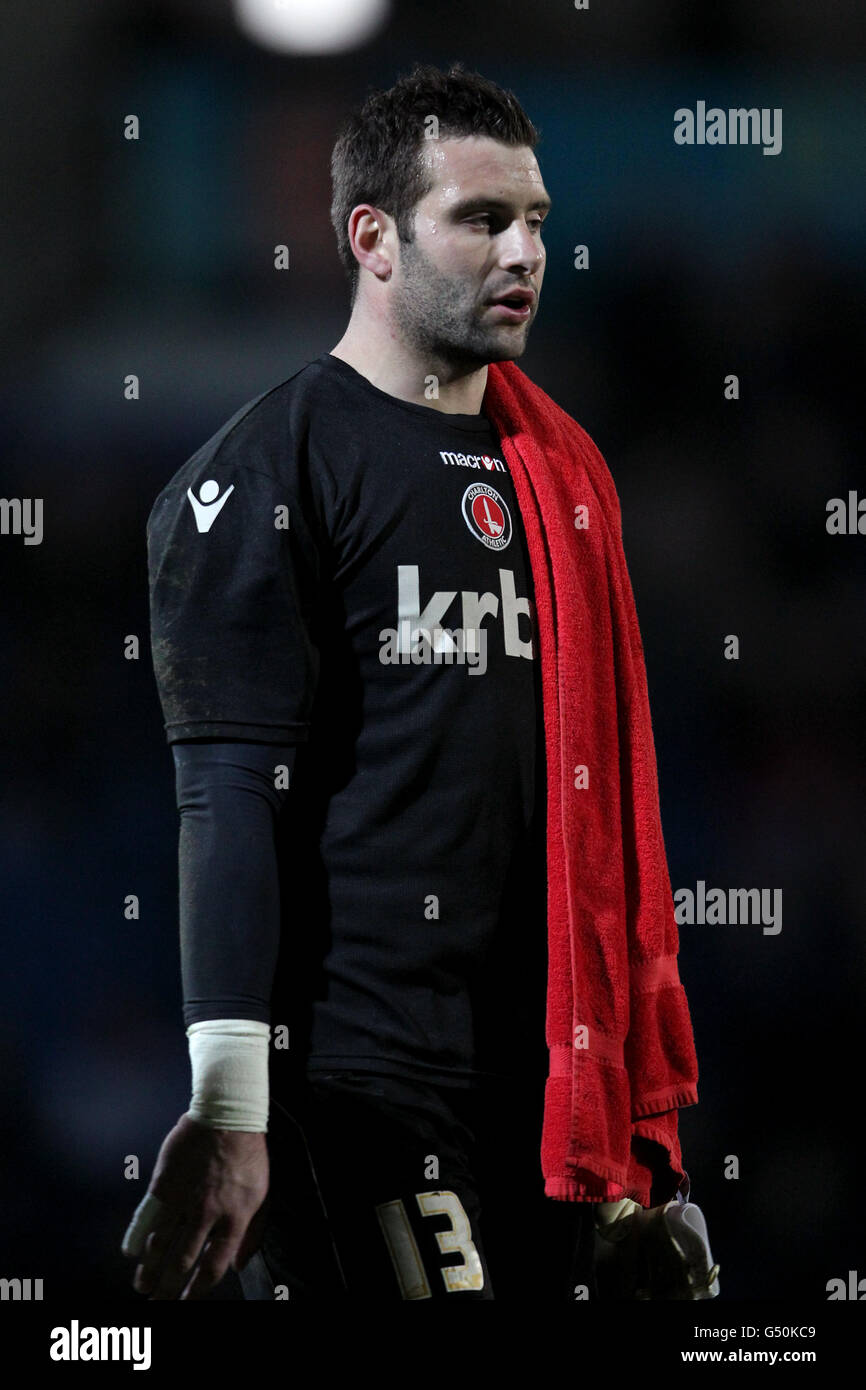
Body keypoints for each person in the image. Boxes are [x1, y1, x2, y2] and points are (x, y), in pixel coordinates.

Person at [122, 62, 694, 1303]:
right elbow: (228, 797)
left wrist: (645, 1168)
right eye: (482, 219)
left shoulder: (568, 479)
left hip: (546, 1095)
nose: (524, 250)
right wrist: (229, 1109)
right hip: (359, 1082)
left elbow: (589, 828)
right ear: (372, 238)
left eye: (537, 221)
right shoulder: (264, 476)